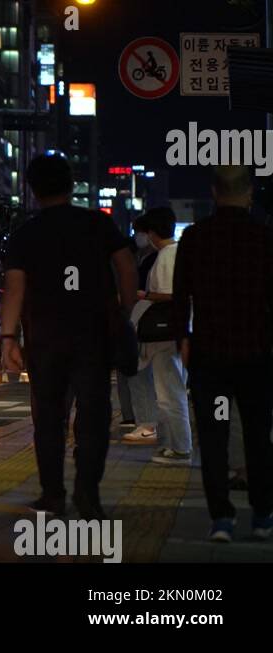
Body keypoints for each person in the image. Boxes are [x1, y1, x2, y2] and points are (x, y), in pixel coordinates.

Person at [1, 154, 138, 519]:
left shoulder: (25, 234)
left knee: (48, 417)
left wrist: (8, 338)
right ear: (71, 183)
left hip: (45, 338)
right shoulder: (97, 224)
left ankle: (52, 495)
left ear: (31, 190)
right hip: (94, 335)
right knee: (94, 415)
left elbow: (15, 287)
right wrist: (124, 310)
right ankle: (88, 495)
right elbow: (126, 264)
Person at [172, 165, 273, 542]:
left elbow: (182, 296)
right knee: (258, 434)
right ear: (249, 194)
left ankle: (222, 519)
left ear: (214, 192)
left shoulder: (196, 238)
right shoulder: (264, 238)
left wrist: (183, 337)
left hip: (209, 355)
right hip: (256, 353)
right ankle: (263, 514)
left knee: (214, 437)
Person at [135, 207, 192, 465]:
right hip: (175, 334)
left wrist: (144, 296)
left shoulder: (168, 255)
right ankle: (171, 445)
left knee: (170, 393)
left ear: (153, 232)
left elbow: (171, 296)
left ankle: (180, 448)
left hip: (166, 335)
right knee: (169, 392)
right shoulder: (175, 253)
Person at [121, 216, 161, 443]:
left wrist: (143, 295)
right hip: (150, 324)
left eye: (140, 232)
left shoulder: (156, 258)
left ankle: (149, 425)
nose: (138, 237)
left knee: (141, 375)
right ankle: (151, 425)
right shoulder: (148, 256)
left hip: (153, 325)